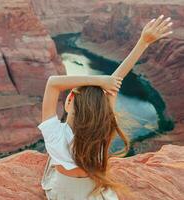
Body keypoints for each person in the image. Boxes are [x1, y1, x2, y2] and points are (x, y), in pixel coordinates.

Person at [37, 14, 173, 200]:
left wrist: (98, 80)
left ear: (69, 100)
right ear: (102, 113)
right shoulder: (102, 135)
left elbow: (53, 83)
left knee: (52, 166)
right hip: (93, 194)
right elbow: (116, 82)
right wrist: (143, 42)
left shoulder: (54, 135)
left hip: (61, 194)